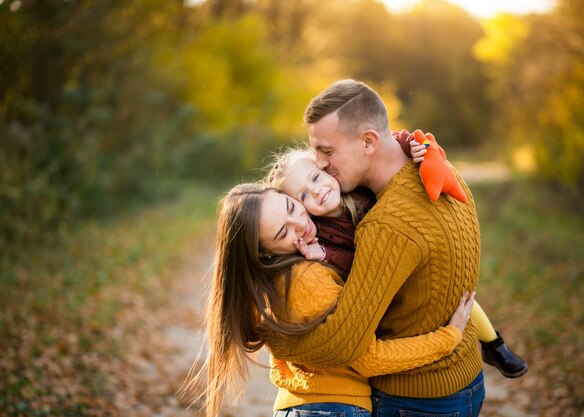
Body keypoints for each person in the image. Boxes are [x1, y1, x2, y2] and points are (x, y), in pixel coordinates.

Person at [264, 79, 488, 417]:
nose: (320, 164)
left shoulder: (385, 225)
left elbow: (345, 344)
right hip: (465, 378)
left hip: (414, 399)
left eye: (327, 151)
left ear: (369, 141)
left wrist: (274, 338)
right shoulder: (438, 168)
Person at [202, 183, 476, 417]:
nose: (301, 224)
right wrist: (448, 338)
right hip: (334, 407)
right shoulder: (306, 279)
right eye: (283, 233)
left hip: (303, 405)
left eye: (291, 206)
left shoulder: (270, 280)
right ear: (265, 253)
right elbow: (368, 358)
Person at [265, 144, 528, 379]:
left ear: (326, 169)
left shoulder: (358, 188)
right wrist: (323, 255)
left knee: (459, 294)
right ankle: (432, 349)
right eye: (302, 196)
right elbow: (350, 266)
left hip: (407, 258)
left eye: (315, 178)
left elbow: (379, 146)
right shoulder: (319, 234)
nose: (317, 191)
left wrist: (409, 143)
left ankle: (494, 344)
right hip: (377, 281)